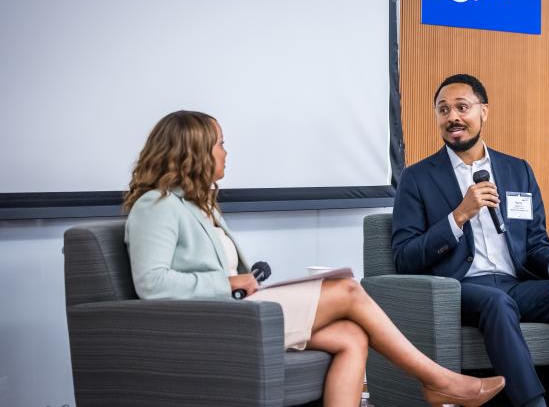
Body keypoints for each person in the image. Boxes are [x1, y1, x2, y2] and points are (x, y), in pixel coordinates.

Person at [123, 110, 505, 407]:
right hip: (214, 322)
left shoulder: (198, 204)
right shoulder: (155, 205)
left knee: (351, 336)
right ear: (193, 151)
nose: (226, 151)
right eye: (220, 143)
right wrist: (225, 284)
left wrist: (239, 282)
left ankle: (437, 382)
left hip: (236, 310)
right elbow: (151, 284)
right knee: (347, 291)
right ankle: (439, 380)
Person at [391, 74, 549, 407]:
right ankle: (532, 403)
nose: (452, 117)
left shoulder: (517, 170)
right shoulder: (417, 178)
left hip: (514, 283)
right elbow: (404, 257)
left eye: (462, 107)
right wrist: (458, 216)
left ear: (484, 112)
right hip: (460, 287)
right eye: (443, 110)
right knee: (496, 301)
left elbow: (535, 240)